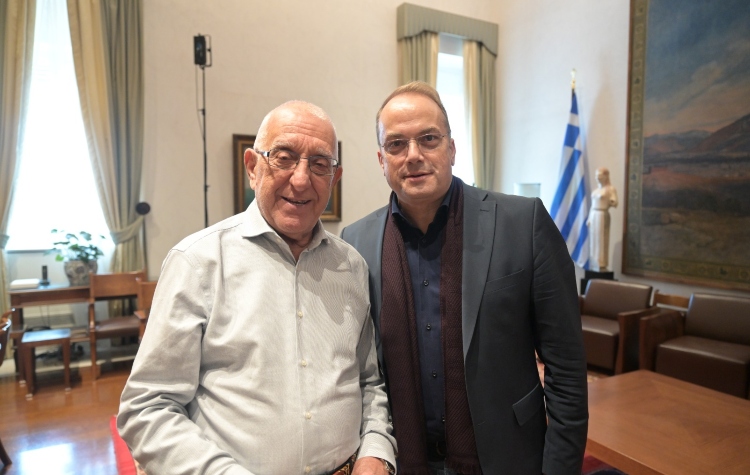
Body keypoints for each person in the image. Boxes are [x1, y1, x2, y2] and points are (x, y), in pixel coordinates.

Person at [118, 101, 397, 475]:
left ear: (335, 178)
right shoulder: (197, 262)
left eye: (319, 164)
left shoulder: (351, 267)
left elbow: (369, 382)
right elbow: (147, 407)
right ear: (252, 166)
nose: (301, 180)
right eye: (284, 158)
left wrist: (376, 450)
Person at [341, 82, 588, 474]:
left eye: (429, 139)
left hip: (507, 459)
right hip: (404, 462)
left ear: (452, 149)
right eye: (396, 144)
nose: (413, 155)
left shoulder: (523, 223)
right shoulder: (355, 242)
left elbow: (567, 369)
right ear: (381, 159)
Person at [587, 167, 618, 271]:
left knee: (601, 239)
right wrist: (589, 218)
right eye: (596, 175)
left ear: (606, 176)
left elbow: (615, 202)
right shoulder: (596, 191)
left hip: (602, 214)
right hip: (594, 214)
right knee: (594, 240)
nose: (597, 178)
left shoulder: (610, 189)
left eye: (600, 175)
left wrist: (611, 201)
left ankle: (601, 263)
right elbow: (592, 205)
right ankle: (594, 262)